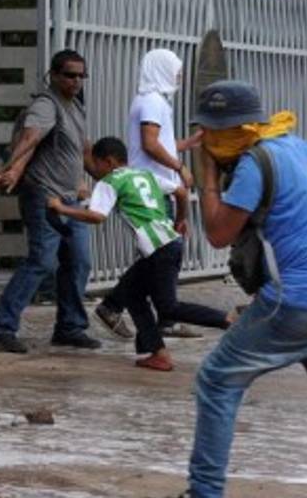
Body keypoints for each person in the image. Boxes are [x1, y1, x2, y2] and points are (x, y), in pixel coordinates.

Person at [141, 80, 307, 498]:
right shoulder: (297, 147)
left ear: (225, 131)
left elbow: (218, 233)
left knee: (217, 379)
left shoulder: (253, 164)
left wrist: (207, 176)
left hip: (295, 300)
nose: (205, 141)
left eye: (207, 134)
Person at [46, 137, 231, 372]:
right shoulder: (144, 174)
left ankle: (227, 320)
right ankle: (157, 353)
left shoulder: (110, 181)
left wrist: (62, 208)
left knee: (168, 308)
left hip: (157, 249)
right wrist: (180, 220)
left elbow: (97, 216)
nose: (95, 171)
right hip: (169, 242)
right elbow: (182, 192)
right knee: (133, 295)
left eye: (96, 165)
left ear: (109, 161)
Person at [0, 49, 99, 354]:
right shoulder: (46, 105)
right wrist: (12, 168)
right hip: (45, 196)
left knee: (79, 261)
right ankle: (1, 325)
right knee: (42, 261)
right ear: (55, 75)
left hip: (71, 199)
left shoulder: (75, 107)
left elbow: (84, 153)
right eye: (70, 75)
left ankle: (70, 327)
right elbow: (30, 139)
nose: (76, 81)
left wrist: (114, 177)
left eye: (80, 76)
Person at [96, 49, 205, 339]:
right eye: (176, 70)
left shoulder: (151, 102)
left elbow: (159, 145)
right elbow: (149, 144)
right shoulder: (153, 102)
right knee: (161, 257)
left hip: (156, 187)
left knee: (159, 256)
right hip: (155, 189)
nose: (179, 77)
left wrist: (187, 144)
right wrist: (180, 167)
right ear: (161, 70)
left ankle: (147, 313)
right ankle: (120, 306)